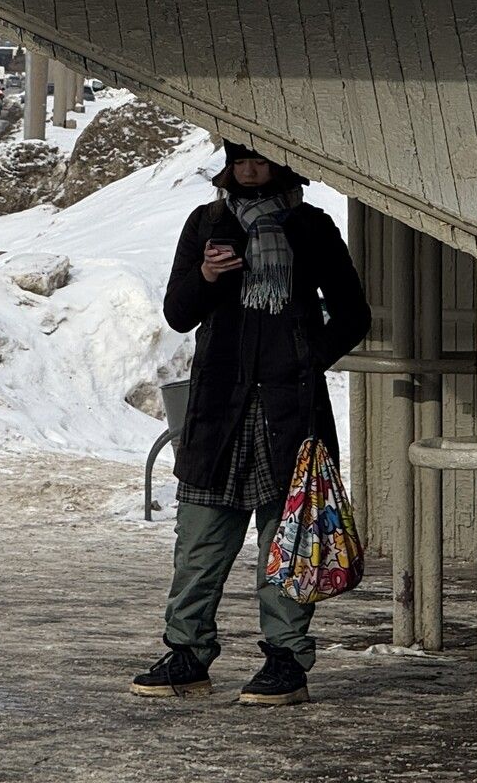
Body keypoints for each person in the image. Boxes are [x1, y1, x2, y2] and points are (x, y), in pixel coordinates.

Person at [132, 141, 369, 706]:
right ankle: (187, 654)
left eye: (259, 160)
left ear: (282, 163)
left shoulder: (311, 227)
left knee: (286, 539)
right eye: (240, 161)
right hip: (218, 410)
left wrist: (306, 354)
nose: (249, 170)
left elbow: (352, 314)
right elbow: (178, 312)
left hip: (291, 408)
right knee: (199, 540)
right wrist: (209, 276)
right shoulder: (207, 223)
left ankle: (286, 659)